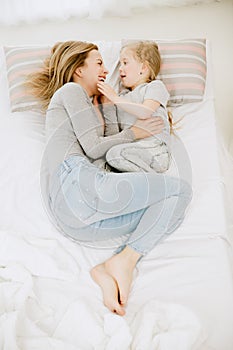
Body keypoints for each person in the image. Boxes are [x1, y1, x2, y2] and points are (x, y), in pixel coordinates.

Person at [27, 40, 192, 316]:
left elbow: (109, 151)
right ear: (79, 69)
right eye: (100, 63)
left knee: (169, 206)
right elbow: (93, 147)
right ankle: (125, 261)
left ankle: (118, 264)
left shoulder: (96, 103)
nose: (107, 69)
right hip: (76, 184)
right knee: (180, 191)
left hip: (83, 217)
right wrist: (135, 134)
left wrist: (112, 106)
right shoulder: (71, 91)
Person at [97, 40, 171, 173]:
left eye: (125, 63)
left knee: (113, 155)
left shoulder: (154, 86)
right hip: (130, 154)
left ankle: (158, 182)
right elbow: (114, 134)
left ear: (143, 68)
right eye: (120, 64)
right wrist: (108, 106)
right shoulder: (122, 97)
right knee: (105, 160)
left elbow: (145, 112)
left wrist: (115, 98)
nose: (120, 68)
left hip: (156, 150)